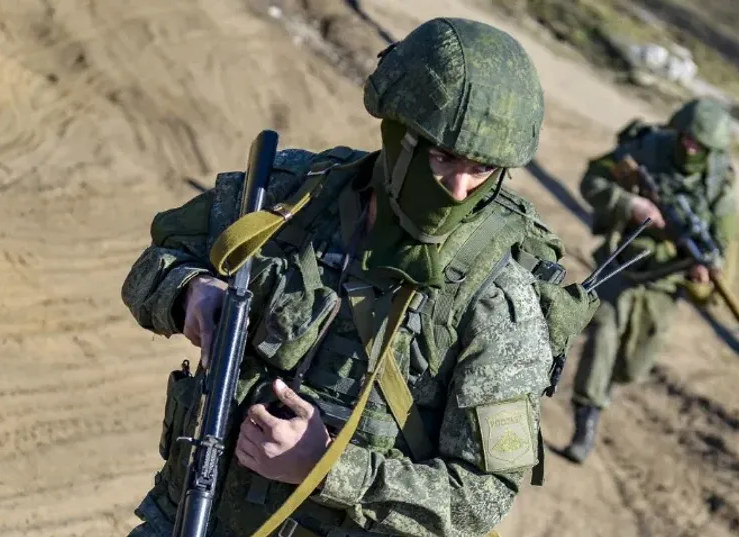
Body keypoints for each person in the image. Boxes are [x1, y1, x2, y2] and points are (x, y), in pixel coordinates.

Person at [121, 17, 596, 537]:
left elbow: (481, 498)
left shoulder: (499, 300)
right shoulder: (294, 195)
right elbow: (154, 263)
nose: (459, 189)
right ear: (397, 130)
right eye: (442, 156)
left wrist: (326, 466)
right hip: (188, 518)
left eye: (481, 169)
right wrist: (189, 292)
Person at [560, 98, 738, 464]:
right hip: (623, 262)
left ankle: (601, 392)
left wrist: (702, 269)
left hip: (664, 282)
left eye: (699, 144)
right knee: (605, 330)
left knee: (633, 366)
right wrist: (630, 205)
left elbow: (721, 245)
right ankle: (586, 417)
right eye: (686, 137)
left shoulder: (719, 186)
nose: (689, 146)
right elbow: (592, 181)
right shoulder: (646, 149)